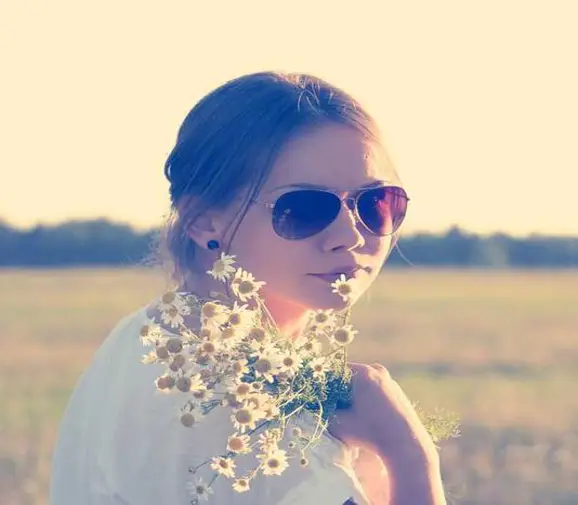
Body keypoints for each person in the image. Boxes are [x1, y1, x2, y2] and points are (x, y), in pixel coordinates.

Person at [49, 71, 446, 504]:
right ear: (205, 222)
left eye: (376, 203)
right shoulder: (243, 406)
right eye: (304, 208)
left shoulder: (144, 339)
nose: (350, 235)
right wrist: (409, 453)